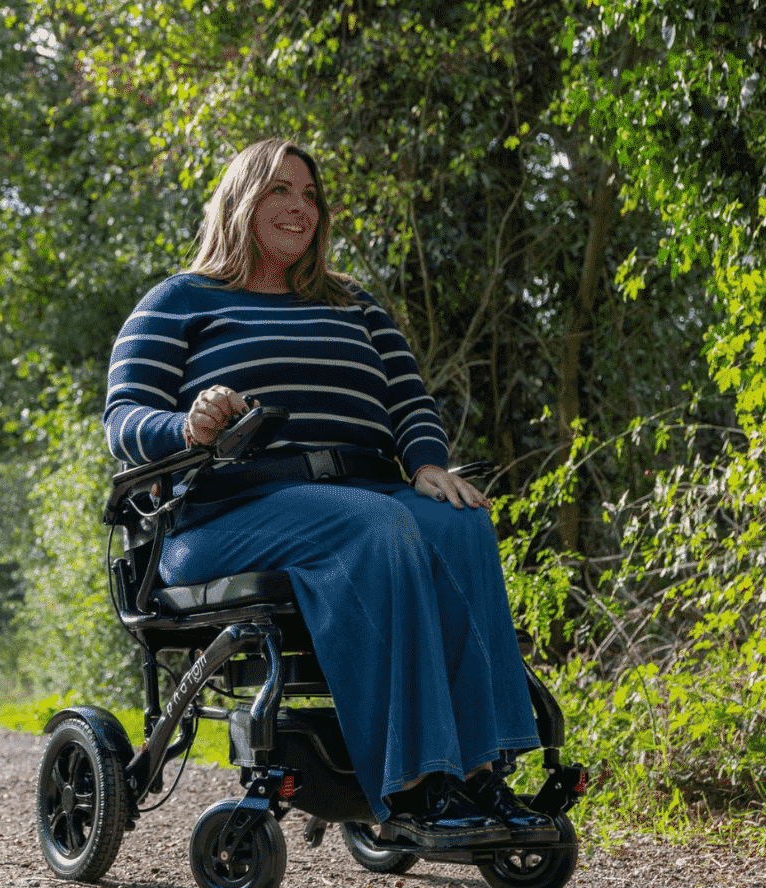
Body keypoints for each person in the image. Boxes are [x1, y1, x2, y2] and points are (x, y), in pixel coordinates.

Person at [104, 137, 555, 850]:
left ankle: (481, 774)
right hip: (228, 515)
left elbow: (408, 397)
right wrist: (186, 426)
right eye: (280, 190)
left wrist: (428, 461)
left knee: (460, 521)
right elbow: (123, 418)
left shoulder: (353, 303)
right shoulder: (180, 301)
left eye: (309, 195)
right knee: (376, 525)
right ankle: (417, 785)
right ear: (240, 200)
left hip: (362, 498)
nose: (298, 207)